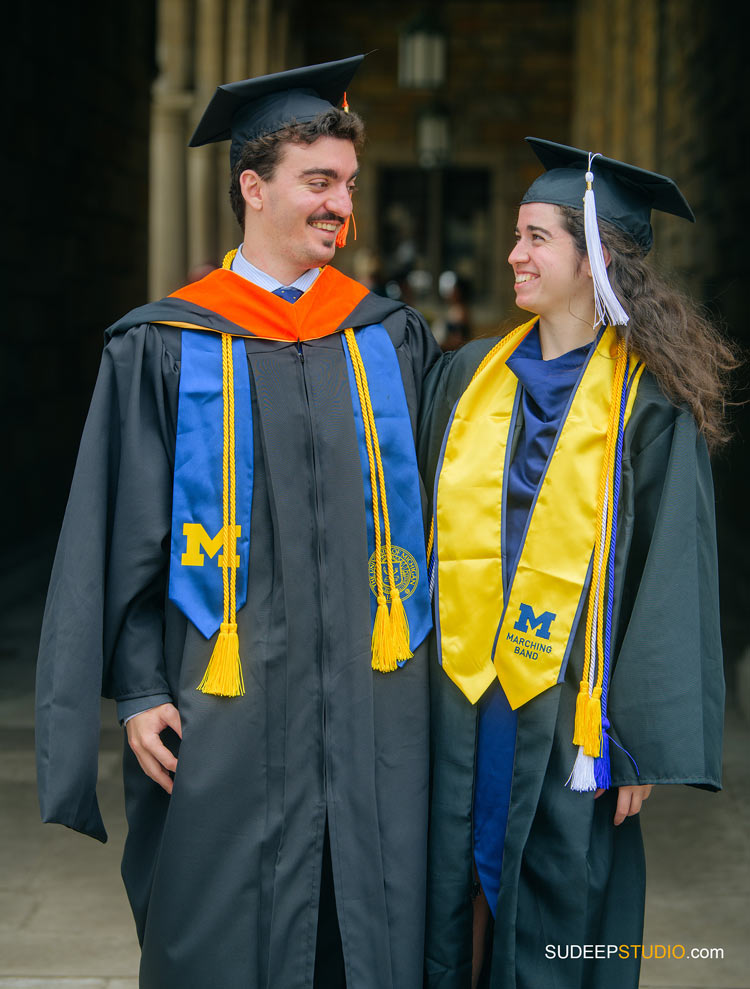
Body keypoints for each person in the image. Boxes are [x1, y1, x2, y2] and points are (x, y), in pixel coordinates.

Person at [35, 56, 440, 989]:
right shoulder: (164, 345)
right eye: (319, 181)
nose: (341, 202)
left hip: (376, 705)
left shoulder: (388, 338)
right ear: (254, 188)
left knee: (365, 937)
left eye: (348, 183)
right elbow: (120, 530)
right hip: (226, 705)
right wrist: (139, 688)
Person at [418, 138, 732, 989]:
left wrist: (633, 742)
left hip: (569, 712)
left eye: (535, 237)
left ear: (593, 256)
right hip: (462, 693)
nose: (513, 254)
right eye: (517, 237)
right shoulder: (469, 375)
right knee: (451, 889)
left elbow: (671, 575)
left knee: (556, 906)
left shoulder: (650, 404)